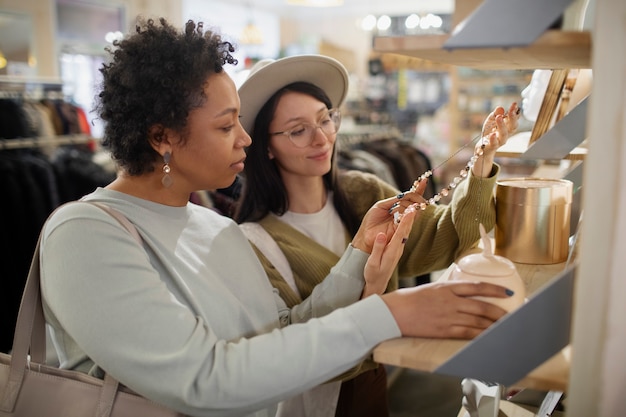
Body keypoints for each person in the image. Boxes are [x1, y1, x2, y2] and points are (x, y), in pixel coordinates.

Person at [39, 18, 514, 417]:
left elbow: (282, 331)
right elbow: (205, 379)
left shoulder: (214, 227)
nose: (244, 140)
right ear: (162, 137)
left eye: (241, 124)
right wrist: (386, 313)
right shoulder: (85, 233)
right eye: (227, 126)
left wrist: (358, 254)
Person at [234, 55, 521, 417]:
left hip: (376, 384)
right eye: (298, 130)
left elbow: (446, 236)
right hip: (320, 400)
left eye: (326, 119)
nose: (321, 137)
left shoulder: (363, 192)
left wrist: (482, 160)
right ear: (266, 146)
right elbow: (290, 340)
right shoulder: (253, 242)